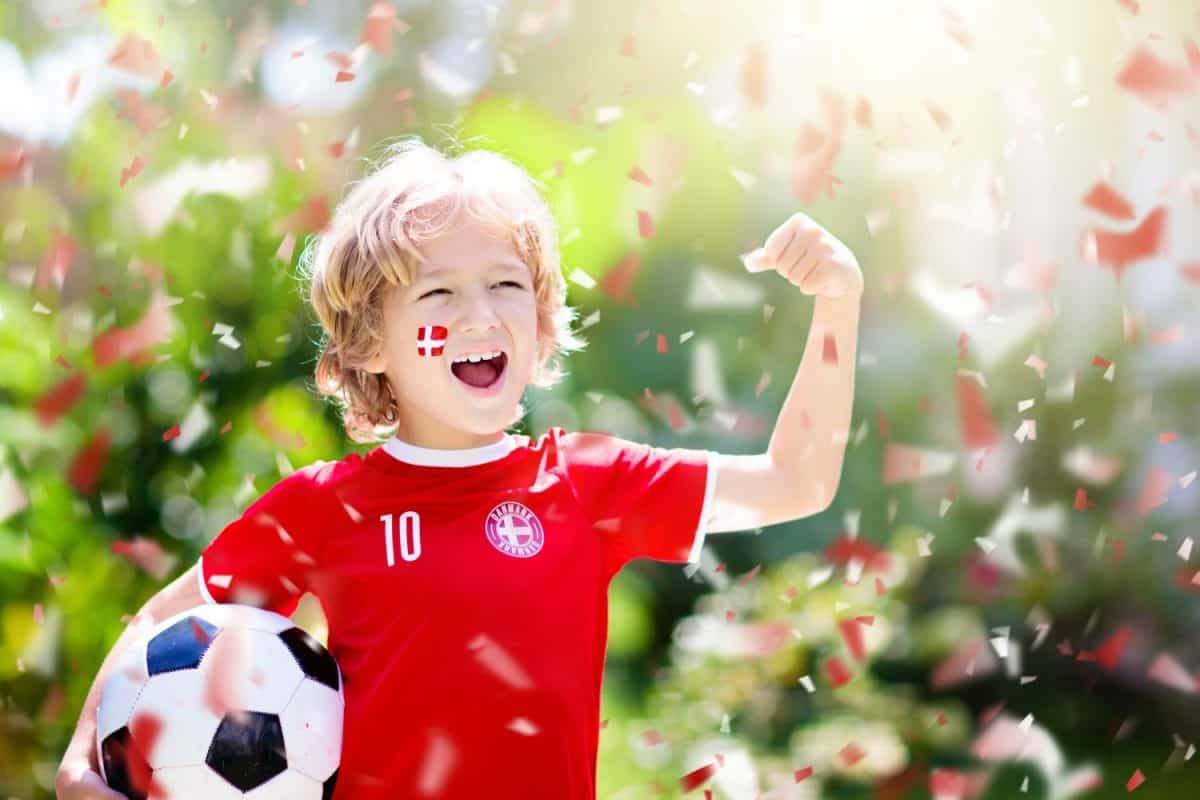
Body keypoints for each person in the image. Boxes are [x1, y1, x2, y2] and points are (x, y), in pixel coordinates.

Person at [56, 137, 863, 799]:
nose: (480, 314)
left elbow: (798, 480)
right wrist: (81, 764)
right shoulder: (322, 509)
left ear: (542, 324)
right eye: (437, 292)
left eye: (507, 283)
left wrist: (838, 300)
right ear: (370, 342)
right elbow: (162, 623)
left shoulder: (587, 484)